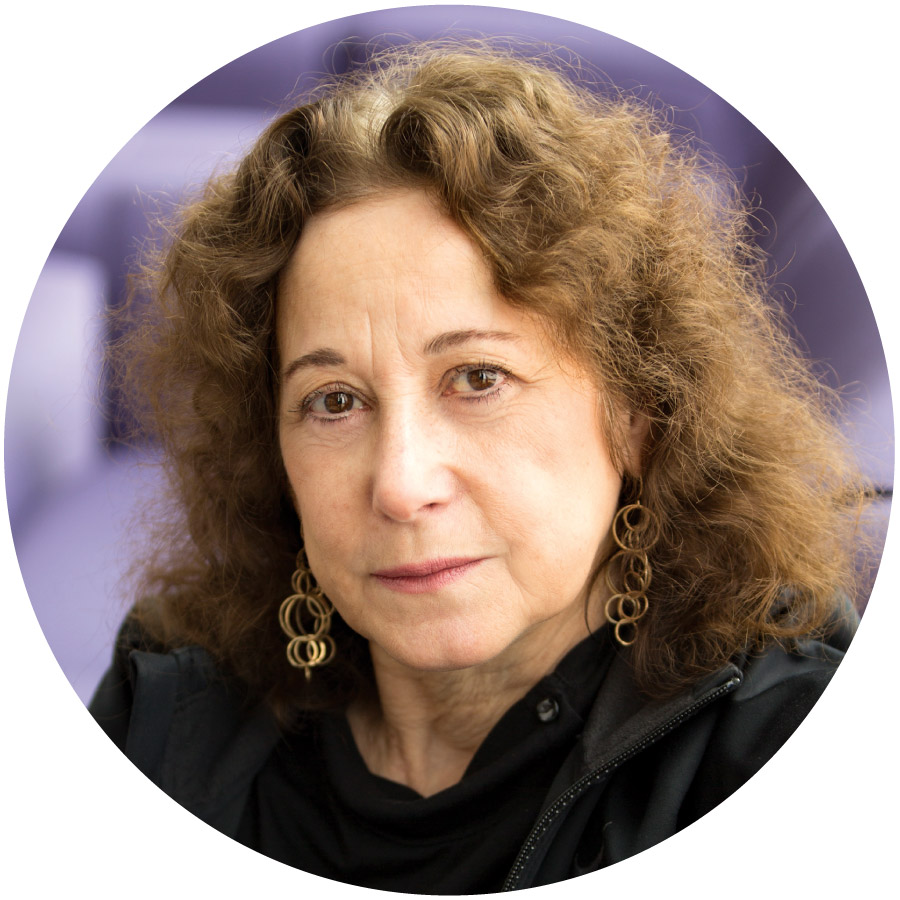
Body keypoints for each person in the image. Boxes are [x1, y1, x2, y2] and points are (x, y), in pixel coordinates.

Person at [91, 42, 868, 892]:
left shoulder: (785, 739)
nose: (400, 483)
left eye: (478, 379)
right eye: (334, 401)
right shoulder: (166, 706)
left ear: (639, 413)